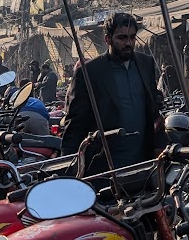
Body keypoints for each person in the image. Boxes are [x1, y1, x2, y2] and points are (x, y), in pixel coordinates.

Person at [61, 12, 165, 174]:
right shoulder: (89, 72)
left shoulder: (146, 64)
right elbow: (75, 122)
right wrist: (68, 165)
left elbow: (153, 110)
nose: (128, 43)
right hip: (105, 165)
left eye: (132, 37)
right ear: (108, 39)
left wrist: (159, 145)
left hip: (143, 162)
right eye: (122, 38)